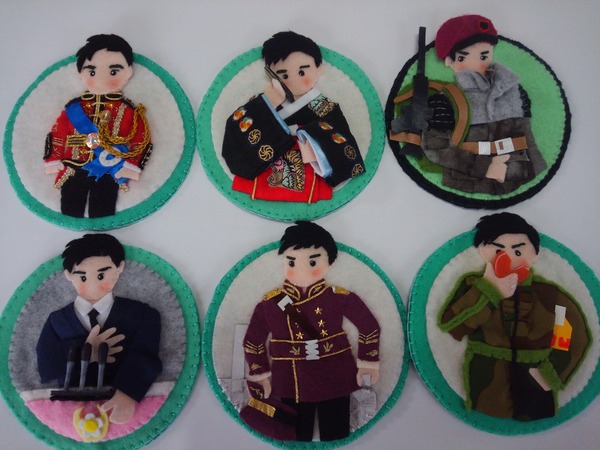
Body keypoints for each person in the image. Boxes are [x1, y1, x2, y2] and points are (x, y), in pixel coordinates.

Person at [438, 213, 590, 420]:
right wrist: (490, 290)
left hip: (535, 376)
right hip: (486, 376)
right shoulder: (473, 286)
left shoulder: (550, 295)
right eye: (498, 250)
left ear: (535, 254)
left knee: (537, 416)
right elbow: (454, 327)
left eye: (518, 250)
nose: (508, 257)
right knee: (487, 415)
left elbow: (569, 333)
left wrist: (550, 374)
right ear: (482, 251)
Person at [242, 221, 380, 441]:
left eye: (313, 261)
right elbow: (253, 340)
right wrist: (261, 374)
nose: (302, 269)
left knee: (336, 433)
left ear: (330, 262)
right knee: (296, 436)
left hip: (334, 372)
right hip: (290, 378)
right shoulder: (271, 303)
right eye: (292, 262)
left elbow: (369, 326)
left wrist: (368, 362)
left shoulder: (339, 297)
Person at [222, 31, 365, 203]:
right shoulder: (266, 99)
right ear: (271, 74)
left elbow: (345, 145)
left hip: (308, 173)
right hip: (263, 172)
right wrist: (269, 103)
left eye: (302, 73)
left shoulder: (324, 106)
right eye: (283, 75)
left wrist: (313, 145)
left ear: (318, 70)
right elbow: (236, 130)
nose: (293, 80)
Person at [36, 234, 162, 424]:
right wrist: (86, 351)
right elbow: (46, 369)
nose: (93, 284)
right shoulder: (57, 320)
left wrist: (128, 393)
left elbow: (146, 358)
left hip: (121, 406)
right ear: (69, 276)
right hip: (70, 409)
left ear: (119, 268)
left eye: (101, 275)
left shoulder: (142, 315)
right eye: (83, 277)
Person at [419, 15, 547, 194]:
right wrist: (485, 167)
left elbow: (528, 137)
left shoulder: (515, 91)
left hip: (520, 172)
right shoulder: (445, 100)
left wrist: (535, 167)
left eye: (484, 55)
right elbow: (435, 146)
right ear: (450, 61)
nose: (477, 63)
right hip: (467, 180)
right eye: (463, 57)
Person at [43, 34, 152, 218]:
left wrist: (132, 165)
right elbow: (57, 134)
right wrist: (53, 159)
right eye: (92, 72)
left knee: (103, 209)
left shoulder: (128, 110)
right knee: (70, 207)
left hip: (110, 168)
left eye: (113, 72)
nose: (101, 79)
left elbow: (141, 140)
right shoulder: (74, 108)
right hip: (74, 165)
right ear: (81, 73)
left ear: (128, 72)